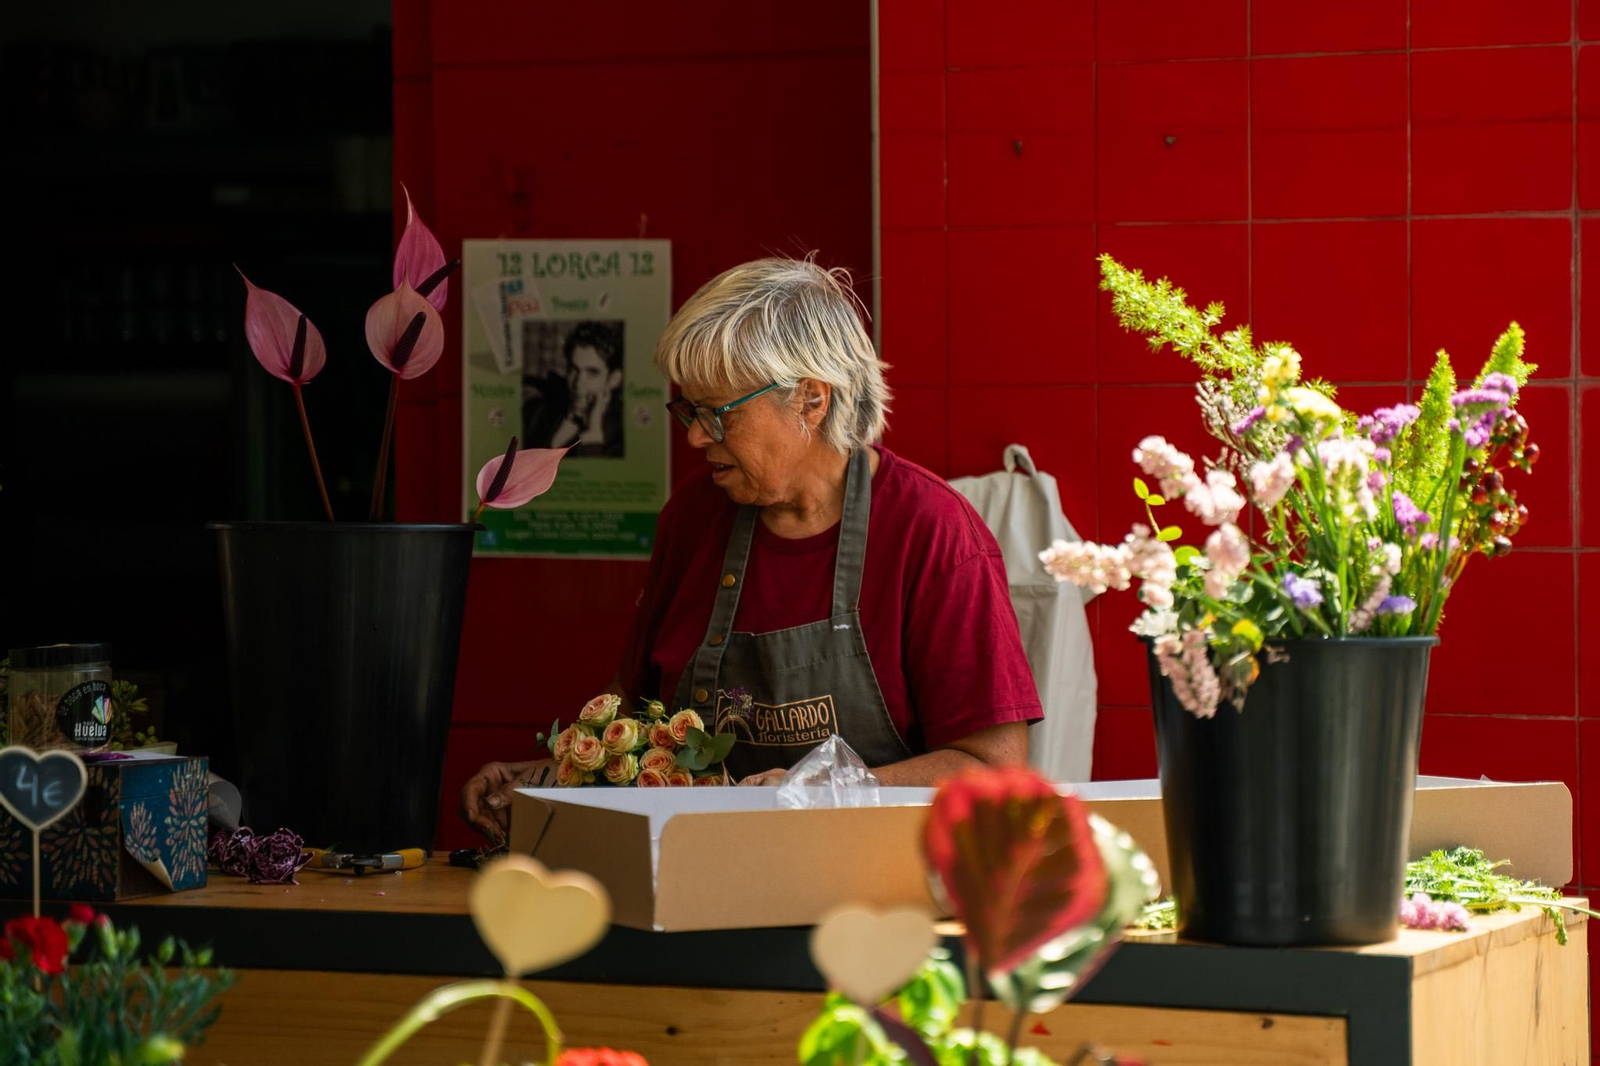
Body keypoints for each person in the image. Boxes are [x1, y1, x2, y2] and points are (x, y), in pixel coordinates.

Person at [461, 257, 1042, 839]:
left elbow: (993, 768)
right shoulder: (692, 517)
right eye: (688, 410)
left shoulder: (933, 532)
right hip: (696, 877)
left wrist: (827, 793)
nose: (694, 436)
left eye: (717, 414)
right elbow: (633, 710)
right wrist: (551, 779)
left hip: (871, 898)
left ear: (811, 400)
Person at [545, 322, 624, 457]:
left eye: (592, 373)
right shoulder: (537, 414)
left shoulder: (622, 436)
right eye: (574, 370)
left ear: (614, 379)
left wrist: (593, 434)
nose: (578, 384)